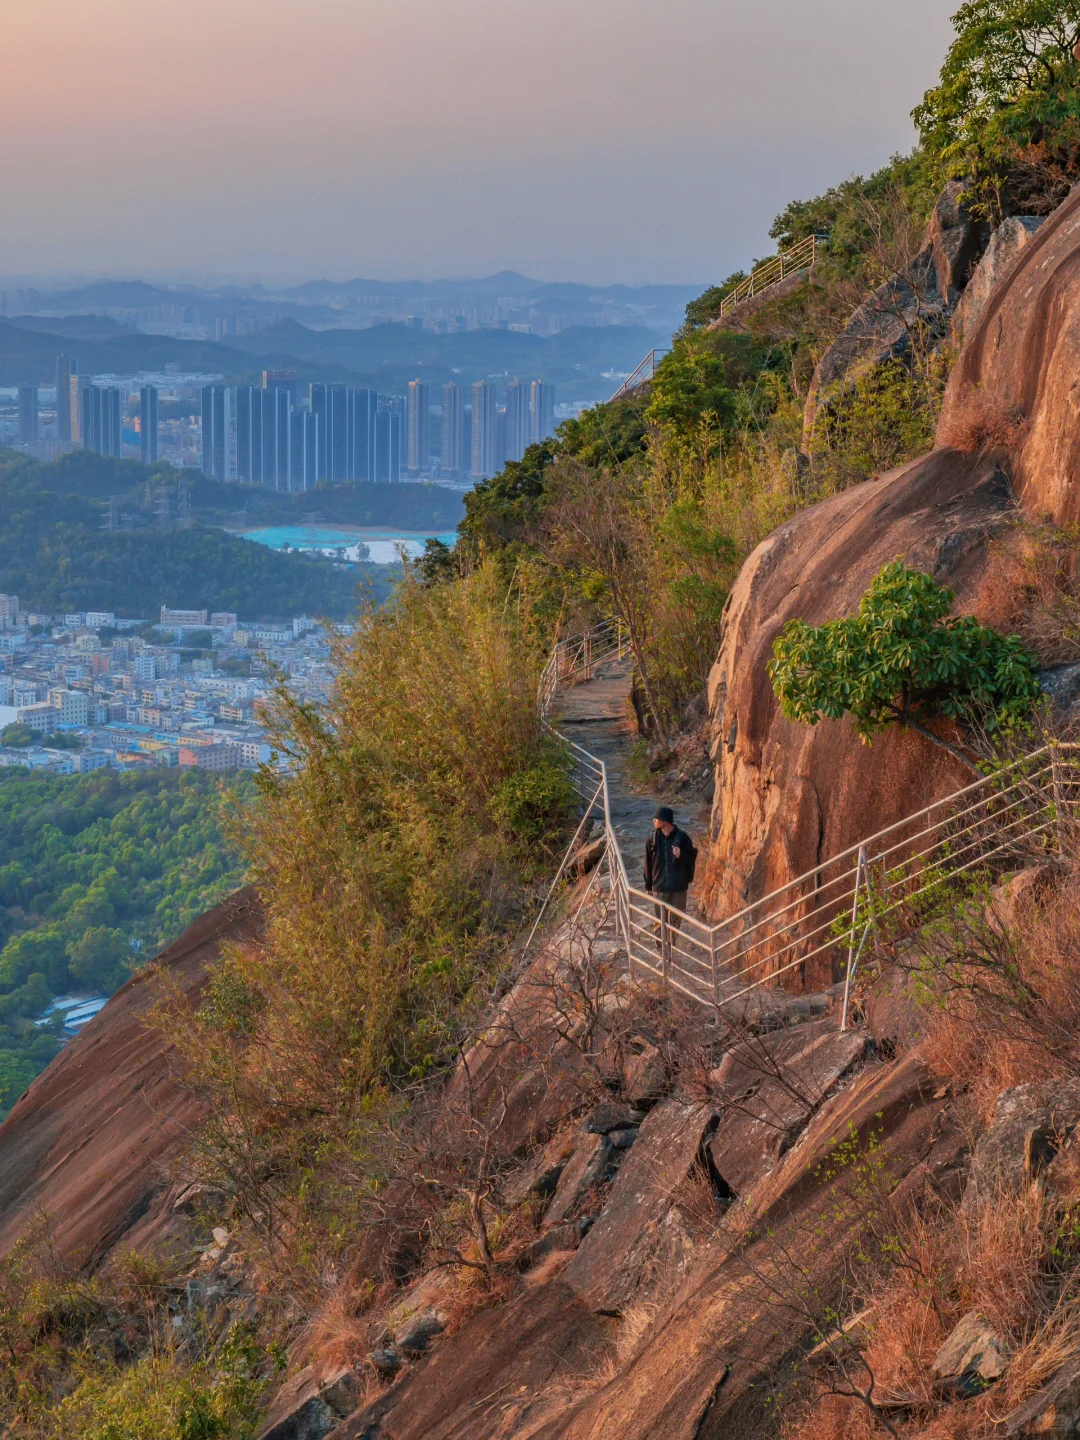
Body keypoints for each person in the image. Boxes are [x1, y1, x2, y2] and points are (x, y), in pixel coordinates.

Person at [643, 806, 697, 963]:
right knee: (659, 923)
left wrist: (681, 855)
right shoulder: (652, 839)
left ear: (665, 821)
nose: (654, 821)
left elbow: (691, 862)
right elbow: (648, 863)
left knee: (675, 923)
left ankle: (670, 952)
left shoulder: (683, 838)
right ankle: (662, 954)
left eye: (656, 818)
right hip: (659, 887)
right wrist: (648, 886)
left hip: (679, 888)